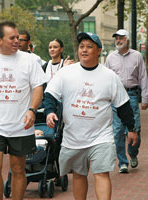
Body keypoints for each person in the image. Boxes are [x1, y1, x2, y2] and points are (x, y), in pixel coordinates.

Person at [43, 32, 138, 200]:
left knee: (101, 174)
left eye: (89, 47)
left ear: (99, 50)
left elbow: (123, 105)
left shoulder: (109, 76)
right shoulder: (66, 73)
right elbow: (50, 94)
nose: (84, 50)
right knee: (79, 174)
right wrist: (50, 112)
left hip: (101, 136)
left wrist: (131, 128)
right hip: (73, 137)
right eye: (81, 47)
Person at [0, 21, 46, 200]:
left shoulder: (29, 60)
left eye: (17, 37)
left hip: (21, 125)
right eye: (12, 38)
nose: (16, 41)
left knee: (18, 168)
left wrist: (32, 110)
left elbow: (38, 87)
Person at [106, 29, 148, 173]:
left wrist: (145, 98)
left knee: (134, 128)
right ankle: (122, 162)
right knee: (117, 131)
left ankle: (133, 153)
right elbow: (106, 80)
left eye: (121, 38)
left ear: (127, 39)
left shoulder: (137, 56)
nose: (118, 40)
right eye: (117, 38)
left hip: (132, 96)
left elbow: (143, 77)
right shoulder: (110, 58)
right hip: (116, 97)